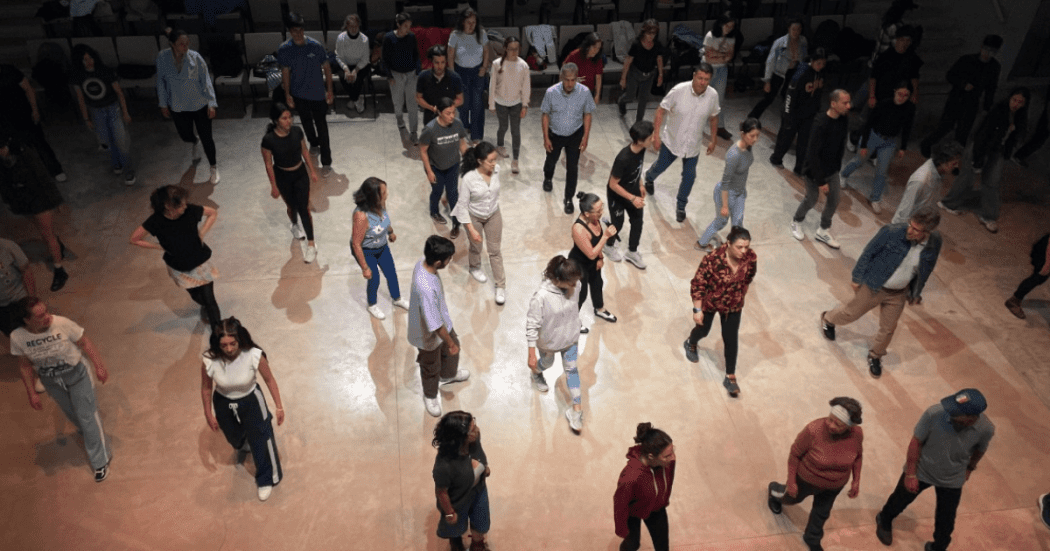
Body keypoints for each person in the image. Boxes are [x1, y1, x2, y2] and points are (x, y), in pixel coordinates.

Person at [820, 207, 942, 378]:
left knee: (888, 328)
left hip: (898, 292)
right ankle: (828, 319)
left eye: (916, 229)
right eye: (910, 225)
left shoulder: (934, 241)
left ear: (928, 232)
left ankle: (875, 355)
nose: (910, 230)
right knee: (850, 313)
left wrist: (916, 291)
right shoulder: (891, 232)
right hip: (874, 284)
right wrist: (857, 277)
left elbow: (926, 268)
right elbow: (868, 253)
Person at [875, 389, 994, 551]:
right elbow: (916, 442)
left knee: (946, 521)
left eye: (955, 411)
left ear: (970, 419)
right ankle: (884, 519)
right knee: (899, 500)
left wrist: (970, 469)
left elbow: (980, 450)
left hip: (952, 479)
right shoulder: (934, 414)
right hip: (922, 470)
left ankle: (938, 547)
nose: (949, 411)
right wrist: (911, 473)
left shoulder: (986, 429)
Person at [12, 297, 111, 482]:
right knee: (72, 413)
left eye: (46, 312)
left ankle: (100, 461)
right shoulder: (18, 337)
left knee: (87, 416)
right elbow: (24, 365)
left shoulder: (62, 323)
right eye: (41, 316)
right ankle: (90, 433)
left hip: (77, 374)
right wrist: (31, 392)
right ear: (27, 320)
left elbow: (85, 343)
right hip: (51, 381)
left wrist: (99, 366)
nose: (48, 317)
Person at [199, 317, 285, 501]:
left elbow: (270, 380)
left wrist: (279, 406)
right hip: (223, 401)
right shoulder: (209, 360)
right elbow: (206, 387)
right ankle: (244, 444)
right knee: (233, 437)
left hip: (251, 399)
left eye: (233, 343)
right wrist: (208, 412)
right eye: (224, 345)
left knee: (260, 439)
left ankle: (266, 478)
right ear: (217, 344)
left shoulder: (254, 354)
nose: (229, 349)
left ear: (240, 339)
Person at [767, 398, 864, 551]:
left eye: (837, 424)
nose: (831, 425)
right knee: (790, 499)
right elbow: (795, 455)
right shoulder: (814, 430)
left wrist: (856, 480)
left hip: (834, 486)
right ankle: (774, 492)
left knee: (822, 513)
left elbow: (858, 457)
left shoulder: (857, 434)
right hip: (806, 480)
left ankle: (812, 537)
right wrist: (791, 481)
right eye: (830, 419)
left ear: (849, 426)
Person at [938, 87, 1030, 234]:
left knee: (992, 182)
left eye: (1020, 102)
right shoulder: (998, 111)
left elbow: (1013, 138)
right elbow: (983, 135)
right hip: (980, 146)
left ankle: (988, 216)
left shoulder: (1019, 118)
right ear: (1009, 98)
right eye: (1014, 100)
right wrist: (978, 158)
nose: (1016, 104)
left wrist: (1006, 152)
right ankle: (949, 203)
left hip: (997, 150)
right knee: (967, 176)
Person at [129, 185, 221, 327]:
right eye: (181, 204)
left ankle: (218, 334)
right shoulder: (155, 221)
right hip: (179, 266)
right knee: (197, 296)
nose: (185, 206)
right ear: (168, 206)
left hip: (199, 261)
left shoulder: (190, 210)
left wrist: (201, 233)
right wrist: (158, 247)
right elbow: (134, 239)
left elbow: (212, 213)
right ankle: (205, 306)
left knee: (210, 300)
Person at [683, 226, 756, 397]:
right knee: (703, 330)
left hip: (733, 305)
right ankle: (690, 342)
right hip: (711, 302)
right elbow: (698, 284)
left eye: (746, 247)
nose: (743, 251)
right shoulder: (712, 259)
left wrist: (738, 294)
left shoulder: (750, 258)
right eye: (739, 247)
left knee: (731, 338)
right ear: (728, 243)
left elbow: (749, 277)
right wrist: (697, 309)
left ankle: (730, 376)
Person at [644, 64, 721, 223]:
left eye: (706, 79)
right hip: (672, 141)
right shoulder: (678, 91)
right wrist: (655, 135)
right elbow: (661, 110)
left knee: (689, 176)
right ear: (694, 75)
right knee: (661, 166)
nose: (702, 82)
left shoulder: (713, 95)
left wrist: (713, 140)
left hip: (693, 145)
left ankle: (681, 205)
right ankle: (649, 177)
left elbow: (714, 117)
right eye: (700, 78)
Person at [409, 235, 470, 417]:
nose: (449, 261)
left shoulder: (422, 262)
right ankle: (430, 395)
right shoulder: (426, 288)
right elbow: (435, 325)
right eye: (448, 259)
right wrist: (449, 343)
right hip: (427, 334)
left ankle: (448, 374)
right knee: (430, 365)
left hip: (442, 321)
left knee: (452, 350)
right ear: (437, 262)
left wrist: (451, 342)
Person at [0, 133, 70, 291]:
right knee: (43, 232)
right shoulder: (2, 162)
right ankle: (58, 247)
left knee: (47, 234)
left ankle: (59, 269)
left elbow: (43, 177)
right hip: (23, 201)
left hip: (40, 197)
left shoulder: (25, 154)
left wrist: (56, 200)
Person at [527, 255, 585, 430]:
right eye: (572, 283)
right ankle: (536, 373)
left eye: (576, 282)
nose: (575, 286)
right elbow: (532, 325)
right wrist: (531, 354)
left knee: (572, 371)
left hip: (571, 340)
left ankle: (576, 409)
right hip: (548, 343)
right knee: (547, 363)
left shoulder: (577, 285)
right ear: (558, 280)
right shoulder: (541, 297)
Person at [919, 35, 1002, 157]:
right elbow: (950, 76)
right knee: (945, 126)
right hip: (956, 98)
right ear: (982, 47)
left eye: (992, 51)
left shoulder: (994, 67)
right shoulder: (967, 60)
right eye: (986, 49)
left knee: (963, 131)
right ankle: (926, 144)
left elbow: (991, 88)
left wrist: (986, 107)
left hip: (972, 101)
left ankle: (953, 156)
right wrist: (963, 85)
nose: (988, 53)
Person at [841, 81, 916, 214]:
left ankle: (875, 198)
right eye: (900, 94)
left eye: (906, 95)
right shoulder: (884, 104)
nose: (902, 97)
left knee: (882, 170)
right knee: (859, 160)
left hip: (890, 141)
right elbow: (868, 124)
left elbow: (907, 128)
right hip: (873, 136)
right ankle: (844, 174)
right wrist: (863, 144)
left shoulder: (909, 108)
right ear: (895, 91)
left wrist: (903, 147)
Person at [156, 28, 219, 184]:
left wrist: (211, 103)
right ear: (172, 44)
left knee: (207, 138)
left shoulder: (195, 58)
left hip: (199, 104)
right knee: (185, 135)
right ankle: (194, 141)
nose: (185, 46)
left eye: (187, 43)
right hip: (178, 105)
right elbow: (161, 82)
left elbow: (206, 81)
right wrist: (163, 104)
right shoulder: (163, 58)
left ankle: (213, 167)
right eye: (181, 44)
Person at [790, 89, 851, 249]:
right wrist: (821, 181)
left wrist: (836, 168)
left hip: (832, 170)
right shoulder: (820, 123)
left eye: (849, 102)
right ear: (833, 103)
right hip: (814, 170)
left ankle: (823, 230)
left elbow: (840, 144)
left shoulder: (843, 119)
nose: (849, 106)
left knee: (834, 199)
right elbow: (812, 154)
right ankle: (797, 220)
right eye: (845, 102)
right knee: (812, 198)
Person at [260, 103, 320, 263]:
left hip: (300, 174)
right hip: (282, 176)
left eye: (290, 117)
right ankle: (294, 224)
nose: (289, 121)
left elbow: (304, 151)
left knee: (303, 208)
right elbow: (267, 163)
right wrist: (273, 186)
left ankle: (312, 244)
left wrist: (312, 170)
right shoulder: (268, 140)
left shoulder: (297, 132)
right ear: (276, 120)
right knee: (291, 206)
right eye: (284, 118)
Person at [278, 12, 335, 176]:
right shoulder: (285, 49)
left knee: (322, 127)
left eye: (300, 30)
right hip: (299, 94)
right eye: (294, 30)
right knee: (306, 123)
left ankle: (326, 162)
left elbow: (327, 69)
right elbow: (286, 73)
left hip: (318, 94)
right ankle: (313, 144)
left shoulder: (315, 46)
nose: (298, 33)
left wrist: (329, 90)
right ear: (289, 31)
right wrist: (287, 94)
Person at [70, 43, 135, 186]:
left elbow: (119, 93)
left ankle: (128, 170)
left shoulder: (105, 71)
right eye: (85, 59)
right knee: (106, 142)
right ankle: (116, 163)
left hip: (113, 108)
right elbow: (80, 98)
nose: (89, 62)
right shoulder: (78, 76)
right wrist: (86, 118)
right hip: (95, 110)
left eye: (90, 58)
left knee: (121, 140)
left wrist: (125, 112)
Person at [452, 142, 506, 304]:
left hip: (493, 214)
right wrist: (471, 229)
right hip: (474, 216)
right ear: (479, 161)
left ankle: (500, 285)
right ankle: (474, 267)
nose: (494, 164)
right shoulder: (468, 179)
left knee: (495, 250)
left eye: (495, 159)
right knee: (476, 246)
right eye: (490, 161)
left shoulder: (497, 170)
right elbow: (462, 206)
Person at [350, 177, 411, 320]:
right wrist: (365, 268)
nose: (387, 194)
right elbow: (356, 244)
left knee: (391, 273)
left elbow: (384, 220)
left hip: (382, 247)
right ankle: (371, 304)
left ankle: (397, 298)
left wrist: (390, 232)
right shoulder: (361, 216)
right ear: (373, 197)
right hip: (367, 251)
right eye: (384, 192)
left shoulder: (380, 204)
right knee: (374, 278)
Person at [697, 119, 760, 251]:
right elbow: (725, 183)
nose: (755, 139)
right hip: (727, 193)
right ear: (743, 134)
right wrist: (725, 205)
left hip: (740, 192)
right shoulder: (733, 155)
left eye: (757, 136)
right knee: (721, 221)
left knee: (738, 223)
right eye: (752, 136)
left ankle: (734, 250)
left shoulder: (749, 147)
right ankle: (702, 243)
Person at [541, 63, 595, 215]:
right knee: (551, 161)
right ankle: (548, 177)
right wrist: (546, 138)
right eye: (567, 80)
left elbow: (588, 114)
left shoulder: (584, 92)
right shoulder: (551, 92)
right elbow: (545, 115)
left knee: (573, 168)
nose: (570, 83)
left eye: (573, 80)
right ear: (561, 78)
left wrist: (586, 136)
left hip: (574, 135)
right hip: (555, 135)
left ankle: (568, 198)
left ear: (577, 78)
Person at [432, 411, 490, 551]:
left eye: (474, 424)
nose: (476, 429)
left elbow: (479, 453)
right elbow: (441, 492)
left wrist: (484, 467)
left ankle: (477, 543)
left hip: (478, 490)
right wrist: (450, 513)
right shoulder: (444, 466)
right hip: (456, 499)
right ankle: (455, 541)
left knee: (481, 521)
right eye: (472, 429)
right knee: (455, 526)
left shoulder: (473, 439)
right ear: (458, 437)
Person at [613, 422, 676, 551]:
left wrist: (664, 500)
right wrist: (622, 530)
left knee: (663, 547)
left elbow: (668, 482)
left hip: (657, 508)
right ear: (651, 456)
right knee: (632, 544)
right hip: (634, 511)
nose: (672, 457)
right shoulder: (630, 477)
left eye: (672, 451)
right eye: (667, 456)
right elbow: (620, 503)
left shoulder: (668, 463)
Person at [0, 63, 66, 182]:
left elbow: (29, 89)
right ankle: (28, 180)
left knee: (40, 143)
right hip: (5, 122)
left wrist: (35, 110)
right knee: (14, 149)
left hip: (24, 114)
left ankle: (56, 170)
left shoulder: (9, 70)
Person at [605, 120, 654, 270]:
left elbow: (637, 169)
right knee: (617, 224)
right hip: (617, 195)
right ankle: (608, 246)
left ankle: (632, 252)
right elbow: (613, 184)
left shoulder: (641, 149)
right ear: (640, 141)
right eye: (650, 137)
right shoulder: (623, 158)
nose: (652, 139)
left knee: (638, 222)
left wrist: (640, 184)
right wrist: (632, 198)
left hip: (633, 191)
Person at [769, 49, 827, 174]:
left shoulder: (821, 74)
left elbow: (818, 94)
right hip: (793, 112)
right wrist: (788, 114)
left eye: (823, 64)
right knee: (786, 138)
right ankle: (776, 159)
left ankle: (799, 168)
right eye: (819, 63)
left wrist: (817, 109)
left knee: (804, 141)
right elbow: (790, 95)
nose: (821, 66)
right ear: (812, 61)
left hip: (809, 114)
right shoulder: (801, 73)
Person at [419, 97, 470, 236]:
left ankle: (456, 223)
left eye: (453, 112)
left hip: (453, 165)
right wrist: (429, 171)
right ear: (439, 112)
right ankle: (434, 211)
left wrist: (470, 161)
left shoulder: (457, 124)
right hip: (436, 167)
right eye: (448, 113)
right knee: (437, 191)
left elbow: (462, 144)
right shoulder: (429, 129)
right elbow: (423, 151)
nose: (452, 116)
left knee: (453, 194)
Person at [569, 192, 618, 332]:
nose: (602, 213)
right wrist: (606, 236)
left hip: (593, 262)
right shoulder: (578, 229)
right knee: (581, 293)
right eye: (598, 211)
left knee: (597, 284)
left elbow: (596, 246)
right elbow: (590, 254)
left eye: (602, 208)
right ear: (587, 213)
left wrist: (601, 258)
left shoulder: (595, 219)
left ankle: (599, 308)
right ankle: (572, 321)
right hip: (579, 265)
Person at [891, 141, 964, 225]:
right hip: (911, 227)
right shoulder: (920, 180)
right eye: (954, 163)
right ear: (942, 161)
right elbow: (903, 213)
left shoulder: (938, 173)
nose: (956, 166)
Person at [747, 18, 806, 120]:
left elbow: (804, 58)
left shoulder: (803, 41)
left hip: (792, 74)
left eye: (799, 29)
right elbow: (771, 61)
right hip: (778, 73)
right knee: (768, 98)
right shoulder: (780, 42)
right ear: (789, 28)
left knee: (789, 99)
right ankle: (752, 117)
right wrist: (767, 80)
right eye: (794, 29)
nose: (796, 32)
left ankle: (788, 120)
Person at [488, 36, 530, 174]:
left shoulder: (523, 65)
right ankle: (500, 145)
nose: (514, 52)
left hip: (516, 103)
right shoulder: (497, 64)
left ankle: (515, 160)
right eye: (511, 49)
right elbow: (492, 84)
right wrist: (491, 103)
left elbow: (526, 87)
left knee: (515, 131)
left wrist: (525, 105)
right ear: (505, 48)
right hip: (501, 102)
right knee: (503, 126)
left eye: (516, 49)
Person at [447, 7, 489, 143]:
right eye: (468, 22)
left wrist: (484, 67)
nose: (472, 25)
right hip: (460, 72)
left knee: (477, 104)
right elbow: (450, 54)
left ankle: (476, 135)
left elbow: (486, 51)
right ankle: (464, 129)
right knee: (463, 103)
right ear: (463, 22)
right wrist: (452, 73)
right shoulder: (455, 35)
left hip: (477, 72)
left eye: (474, 22)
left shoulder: (481, 33)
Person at [618, 20, 665, 123]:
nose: (651, 36)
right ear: (644, 32)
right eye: (649, 33)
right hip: (635, 73)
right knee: (630, 96)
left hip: (649, 75)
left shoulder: (657, 44)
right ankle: (622, 101)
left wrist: (660, 74)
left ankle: (638, 122)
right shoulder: (636, 44)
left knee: (643, 99)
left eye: (653, 33)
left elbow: (659, 58)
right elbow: (628, 61)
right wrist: (623, 78)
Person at [384, 12, 421, 143]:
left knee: (412, 105)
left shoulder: (411, 37)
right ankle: (399, 118)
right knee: (398, 101)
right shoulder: (389, 38)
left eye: (409, 26)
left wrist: (418, 71)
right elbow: (385, 59)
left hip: (411, 74)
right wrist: (389, 75)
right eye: (405, 26)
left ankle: (414, 132)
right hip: (396, 74)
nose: (408, 29)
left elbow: (416, 55)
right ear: (398, 25)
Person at [703, 12, 739, 140]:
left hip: (722, 70)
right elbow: (708, 57)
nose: (729, 29)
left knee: (719, 100)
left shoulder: (732, 38)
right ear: (721, 24)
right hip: (707, 70)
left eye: (731, 26)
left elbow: (729, 57)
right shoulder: (710, 35)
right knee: (702, 98)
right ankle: (697, 125)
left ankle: (720, 127)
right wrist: (722, 56)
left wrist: (717, 55)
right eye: (727, 26)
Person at [1004, 232, 1049, 320]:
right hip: (1045, 251)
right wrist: (1047, 265)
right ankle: (1014, 301)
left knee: (1041, 277)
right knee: (1039, 277)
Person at [416, 45, 464, 127]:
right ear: (432, 62)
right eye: (437, 62)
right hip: (430, 116)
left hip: (449, 117)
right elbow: (418, 98)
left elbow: (460, 99)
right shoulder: (423, 76)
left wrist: (447, 107)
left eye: (442, 62)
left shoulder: (455, 77)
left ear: (446, 62)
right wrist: (431, 108)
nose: (440, 66)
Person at [334, 14, 371, 114]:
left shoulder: (364, 39)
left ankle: (353, 99)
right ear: (346, 26)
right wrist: (346, 69)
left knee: (357, 79)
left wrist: (355, 71)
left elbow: (365, 59)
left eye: (356, 26)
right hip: (345, 64)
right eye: (351, 26)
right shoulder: (341, 38)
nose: (354, 29)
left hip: (360, 65)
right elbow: (339, 56)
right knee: (344, 78)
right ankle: (357, 100)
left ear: (359, 26)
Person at [563, 33, 604, 103]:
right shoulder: (575, 55)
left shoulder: (598, 59)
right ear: (588, 45)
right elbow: (564, 70)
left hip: (589, 91)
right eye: (594, 47)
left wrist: (597, 95)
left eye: (598, 48)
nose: (596, 50)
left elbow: (598, 78)